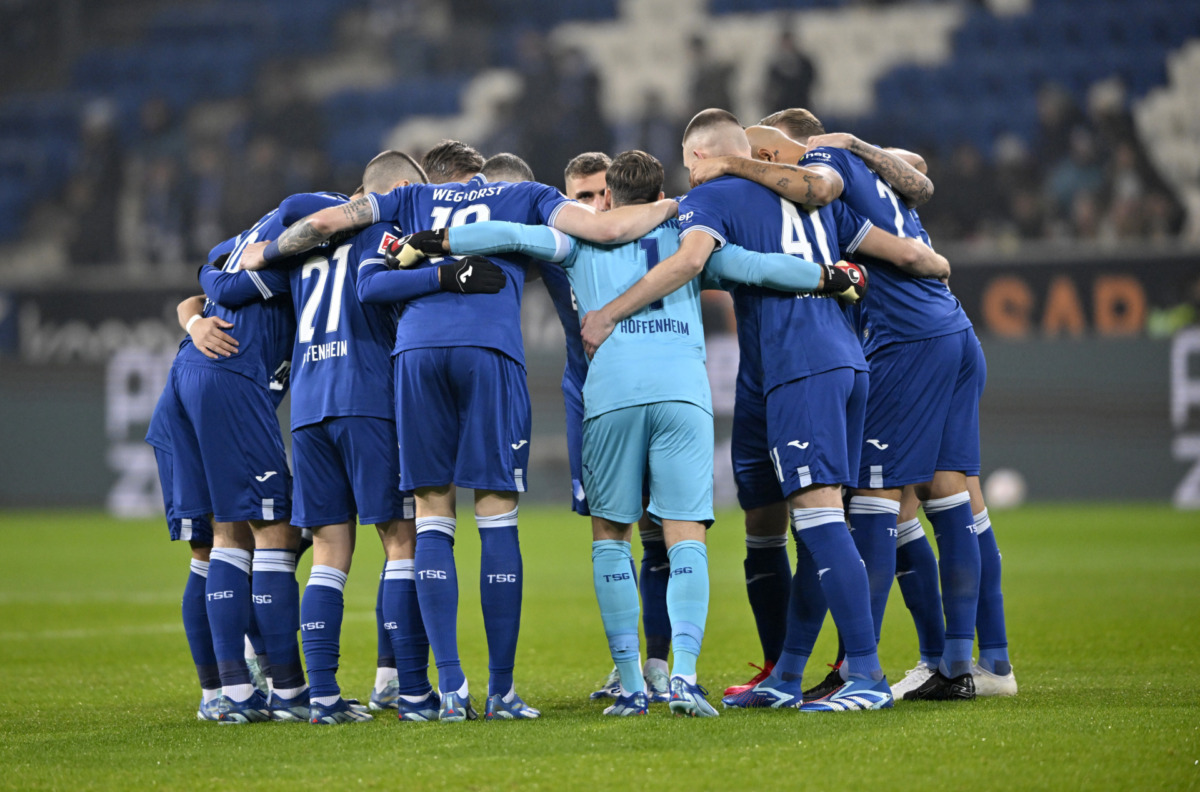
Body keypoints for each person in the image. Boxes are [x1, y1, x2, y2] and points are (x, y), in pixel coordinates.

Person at [416, 149, 864, 716]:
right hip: (681, 394)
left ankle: (630, 684)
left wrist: (437, 241)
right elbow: (757, 267)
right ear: (660, 193)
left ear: (611, 197)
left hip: (612, 396)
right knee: (685, 536)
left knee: (612, 537)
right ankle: (685, 676)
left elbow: (514, 235)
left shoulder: (581, 240)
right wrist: (828, 277)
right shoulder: (690, 235)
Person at [242, 139, 677, 721]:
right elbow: (601, 229)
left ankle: (449, 690)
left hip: (414, 354)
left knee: (432, 520)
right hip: (488, 354)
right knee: (497, 514)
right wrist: (677, 209)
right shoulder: (523, 194)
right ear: (483, 176)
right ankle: (501, 691)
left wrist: (266, 253)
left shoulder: (410, 197)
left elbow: (326, 224)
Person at [581, 110, 949, 713]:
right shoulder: (812, 192)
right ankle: (790, 671)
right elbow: (893, 200)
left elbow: (691, 261)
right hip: (844, 356)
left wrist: (611, 311)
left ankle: (866, 676)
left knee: (820, 515)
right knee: (814, 521)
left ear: (699, 158)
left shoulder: (716, 197)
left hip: (799, 361)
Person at [696, 108, 1014, 699]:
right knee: (953, 496)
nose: (764, 167)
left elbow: (865, 222)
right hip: (949, 328)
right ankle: (981, 663)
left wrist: (735, 163)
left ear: (780, 150)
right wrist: (860, 146)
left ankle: (860, 670)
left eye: (766, 155)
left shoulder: (820, 182)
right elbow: (916, 172)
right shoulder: (858, 165)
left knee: (870, 504)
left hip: (904, 341)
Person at [244, 153, 438, 723]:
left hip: (307, 406)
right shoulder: (386, 232)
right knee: (401, 539)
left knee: (329, 552)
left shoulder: (307, 242)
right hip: (366, 398)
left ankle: (322, 696)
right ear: (397, 190)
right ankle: (412, 692)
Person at [165, 190, 350, 723]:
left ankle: (221, 694)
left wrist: (193, 318)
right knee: (272, 533)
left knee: (215, 542)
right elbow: (224, 278)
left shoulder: (250, 235)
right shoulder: (296, 251)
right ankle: (285, 692)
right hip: (229, 381)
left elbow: (209, 272)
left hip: (187, 376)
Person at [554, 151, 675, 704]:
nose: (594, 206)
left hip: (648, 382)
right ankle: (624, 663)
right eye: (580, 198)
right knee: (611, 530)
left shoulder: (652, 229)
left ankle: (656, 663)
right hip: (589, 395)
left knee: (658, 531)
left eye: (601, 194)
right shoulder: (560, 242)